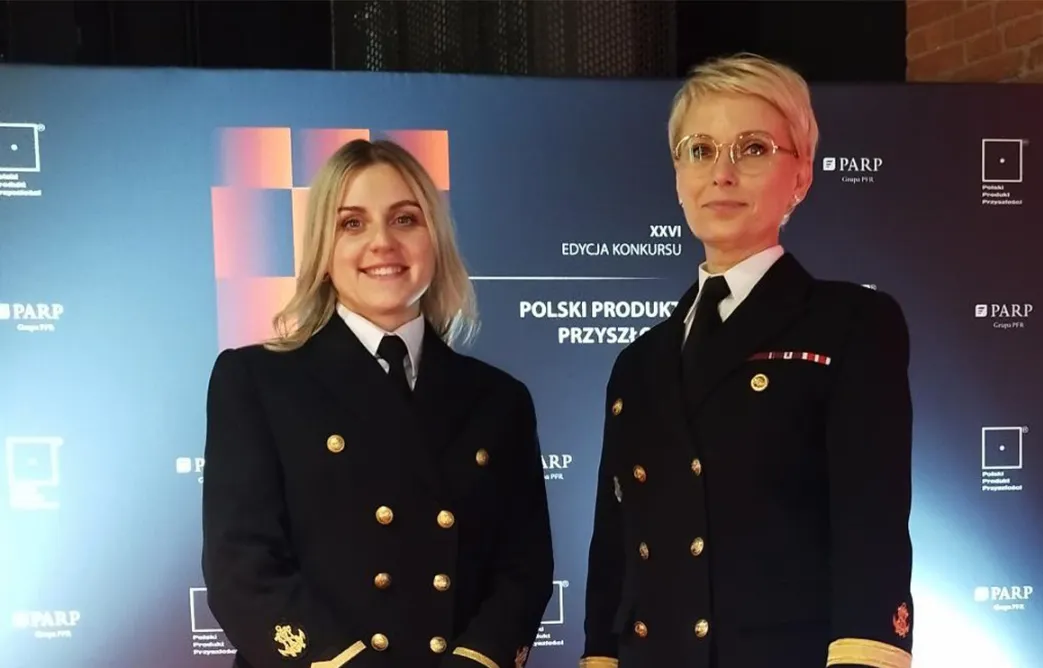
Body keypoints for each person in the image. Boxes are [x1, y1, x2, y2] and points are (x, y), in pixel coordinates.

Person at [581, 53, 914, 668]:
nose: (722, 174)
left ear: (802, 175)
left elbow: (872, 530)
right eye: (700, 151)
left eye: (753, 149)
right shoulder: (637, 363)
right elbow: (614, 556)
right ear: (678, 176)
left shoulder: (852, 325)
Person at [201, 139, 554, 668]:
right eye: (352, 224)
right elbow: (242, 569)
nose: (382, 243)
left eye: (405, 219)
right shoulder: (256, 381)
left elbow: (523, 570)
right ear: (323, 251)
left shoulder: (501, 400)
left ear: (435, 241)